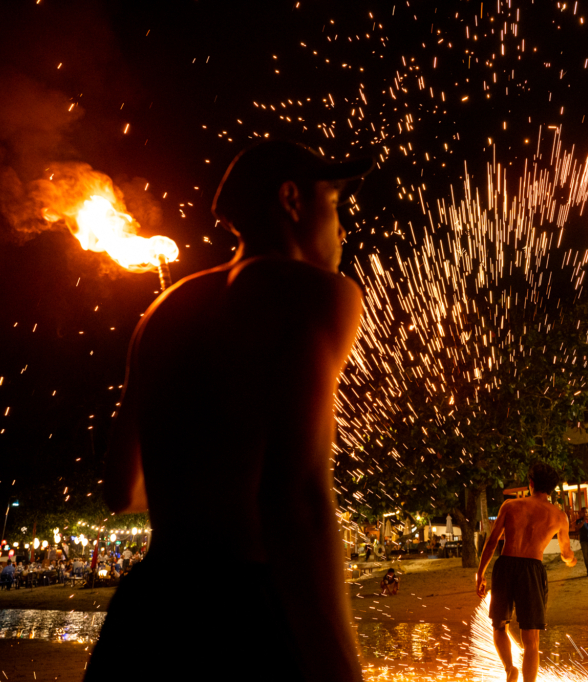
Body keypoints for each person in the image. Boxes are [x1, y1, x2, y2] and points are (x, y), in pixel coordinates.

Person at [92, 140, 371, 682]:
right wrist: (341, 669)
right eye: (334, 205)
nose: (342, 231)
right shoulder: (315, 293)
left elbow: (121, 490)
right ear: (291, 198)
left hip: (149, 615)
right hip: (244, 615)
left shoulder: (161, 311)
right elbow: (298, 499)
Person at [476, 462, 577, 682]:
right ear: (551, 489)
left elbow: (492, 542)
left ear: (530, 483)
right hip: (532, 569)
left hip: (505, 565)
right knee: (531, 639)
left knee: (499, 625)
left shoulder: (510, 506)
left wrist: (480, 574)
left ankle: (510, 668)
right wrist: (571, 560)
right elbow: (565, 552)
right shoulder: (559, 516)